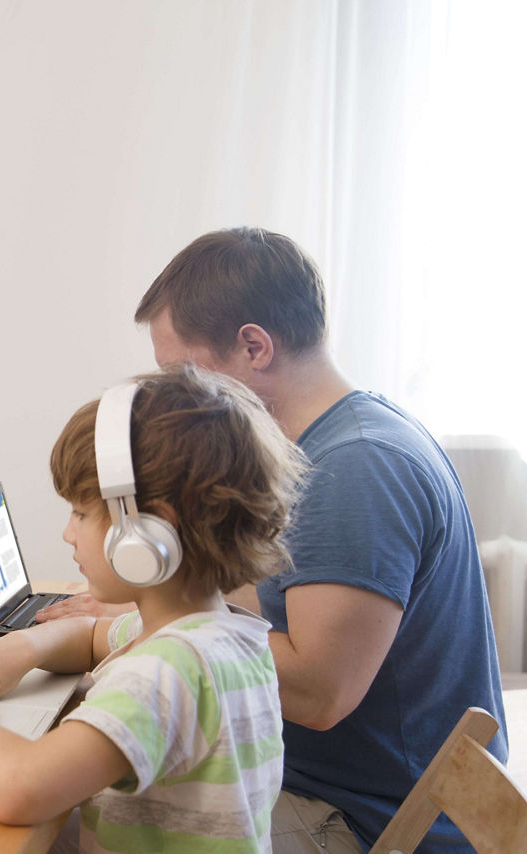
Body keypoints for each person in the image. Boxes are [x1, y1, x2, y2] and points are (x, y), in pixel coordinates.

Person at [40, 227, 507, 852]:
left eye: (180, 372)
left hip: (363, 820)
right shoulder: (334, 441)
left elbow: (318, 693)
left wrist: (132, 639)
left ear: (254, 346)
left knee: (47, 824)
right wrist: (128, 613)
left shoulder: (356, 468)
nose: (171, 397)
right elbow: (260, 608)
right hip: (337, 787)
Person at [0, 364, 306, 852]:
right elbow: (94, 636)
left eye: (80, 512)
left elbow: (20, 789)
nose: (67, 533)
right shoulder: (220, 633)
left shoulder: (162, 673)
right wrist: (24, 647)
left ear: (148, 531)